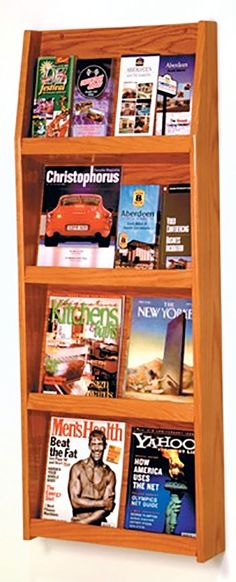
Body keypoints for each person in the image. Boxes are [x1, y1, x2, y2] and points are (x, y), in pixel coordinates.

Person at [68, 429, 116, 525]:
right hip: (77, 523)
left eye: (100, 444)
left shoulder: (109, 474)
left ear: (105, 446)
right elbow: (75, 502)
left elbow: (107, 507)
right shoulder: (77, 468)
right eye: (94, 444)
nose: (97, 448)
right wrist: (102, 503)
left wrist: (83, 522)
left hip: (91, 525)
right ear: (89, 446)